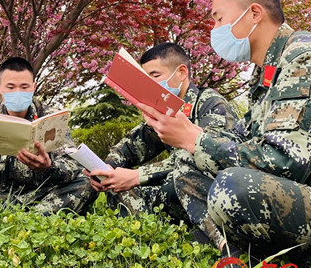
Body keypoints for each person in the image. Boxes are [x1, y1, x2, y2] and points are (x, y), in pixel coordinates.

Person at [139, 0, 311, 267]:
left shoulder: (308, 58)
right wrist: (191, 136)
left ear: (254, 14)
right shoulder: (268, 73)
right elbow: (244, 139)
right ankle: (233, 251)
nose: (214, 30)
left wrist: (195, 139)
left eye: (219, 18)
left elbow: (285, 163)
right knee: (188, 162)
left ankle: (249, 255)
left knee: (234, 187)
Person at [86, 43, 237, 222]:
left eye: (155, 76)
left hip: (209, 188)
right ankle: (146, 231)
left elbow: (201, 158)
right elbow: (133, 145)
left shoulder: (211, 104)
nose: (149, 84)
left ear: (181, 72)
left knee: (177, 180)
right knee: (118, 185)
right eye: (145, 78)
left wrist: (136, 176)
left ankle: (180, 228)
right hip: (175, 187)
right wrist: (107, 168)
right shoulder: (165, 109)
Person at [0, 57, 96, 215]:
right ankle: (13, 219)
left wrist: (49, 167)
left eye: (24, 87)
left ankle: (30, 219)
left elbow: (73, 165)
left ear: (34, 87)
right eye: (11, 87)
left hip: (44, 198)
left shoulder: (52, 118)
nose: (18, 92)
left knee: (88, 183)